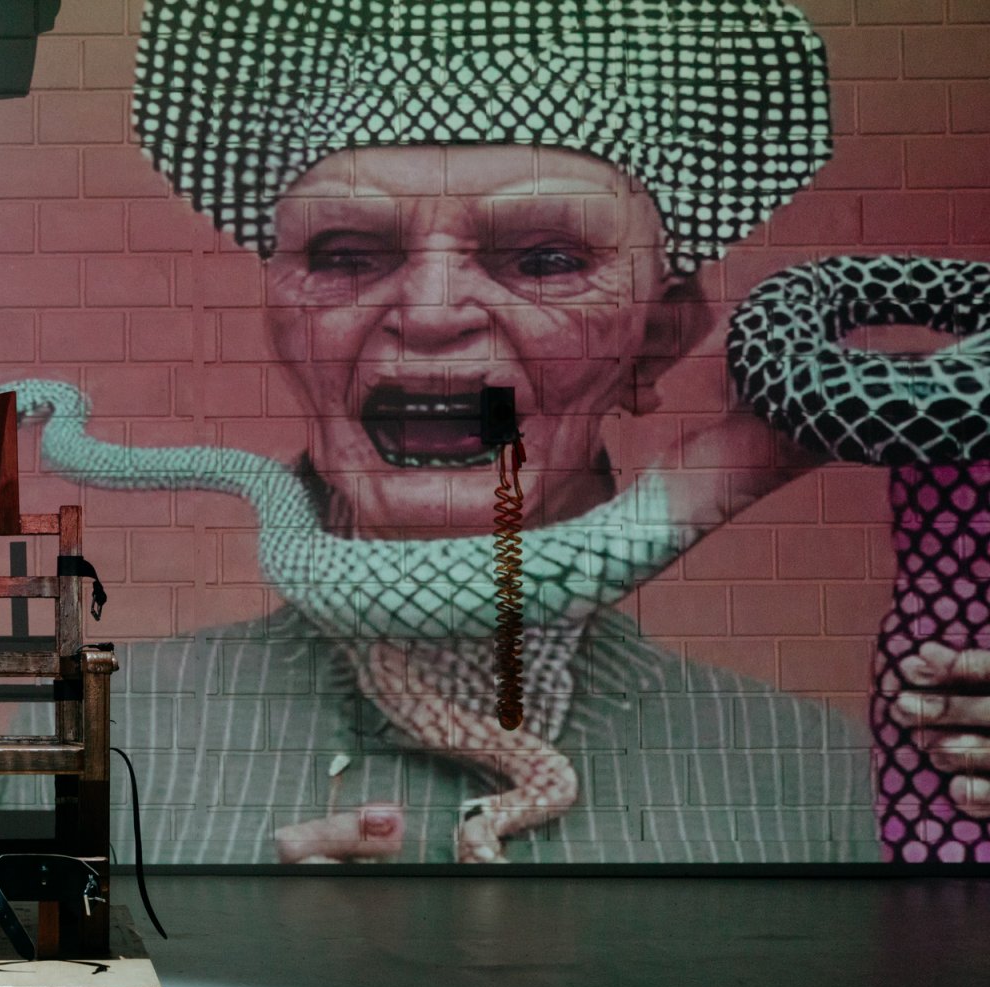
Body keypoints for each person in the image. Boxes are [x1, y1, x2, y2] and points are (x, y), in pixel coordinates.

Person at [106, 0, 975, 863]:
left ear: (658, 338)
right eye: (344, 255)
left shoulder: (824, 783)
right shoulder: (109, 741)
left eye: (546, 260)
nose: (432, 313)